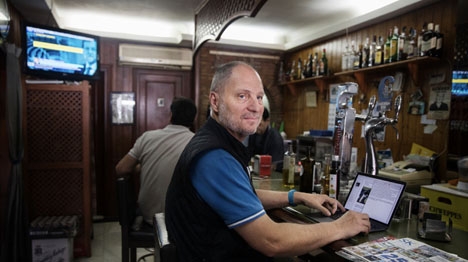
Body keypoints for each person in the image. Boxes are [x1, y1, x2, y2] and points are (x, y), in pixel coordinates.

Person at [165, 61, 370, 261]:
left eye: (259, 97)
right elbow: (272, 241)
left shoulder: (216, 140)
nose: (255, 107)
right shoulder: (215, 157)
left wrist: (297, 196)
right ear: (215, 101)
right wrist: (342, 226)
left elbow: (242, 194)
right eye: (242, 96)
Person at [116, 96, 197, 225]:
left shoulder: (147, 137)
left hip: (149, 215)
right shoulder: (197, 143)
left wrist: (144, 166)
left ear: (171, 115)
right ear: (193, 120)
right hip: (181, 221)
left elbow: (121, 169)